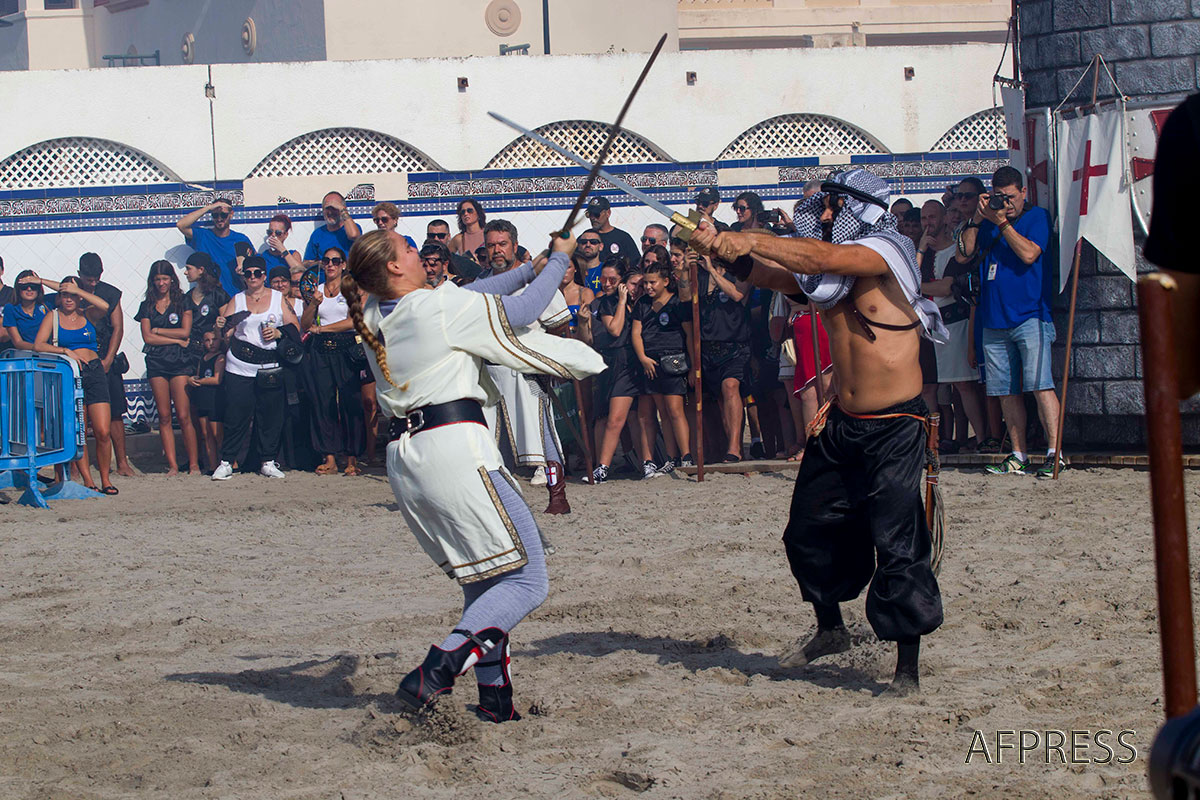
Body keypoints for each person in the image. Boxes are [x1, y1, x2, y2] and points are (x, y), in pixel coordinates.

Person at [690, 168, 946, 695]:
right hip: (842, 422)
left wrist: (753, 235)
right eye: (822, 206)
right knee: (807, 529)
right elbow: (778, 277)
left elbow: (819, 257)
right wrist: (723, 250)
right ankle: (831, 629)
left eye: (832, 207)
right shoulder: (832, 275)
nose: (823, 215)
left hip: (896, 425)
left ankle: (906, 670)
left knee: (897, 541)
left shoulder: (883, 253)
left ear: (862, 209)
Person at [343, 228, 603, 721]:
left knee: (486, 584)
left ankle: (495, 700)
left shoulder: (379, 311)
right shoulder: (434, 310)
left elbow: (472, 296)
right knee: (528, 581)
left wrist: (533, 265)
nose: (418, 253)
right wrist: (558, 264)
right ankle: (441, 665)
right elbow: (522, 312)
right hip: (453, 451)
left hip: (409, 461)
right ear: (395, 268)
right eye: (409, 249)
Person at [957, 165, 1059, 476]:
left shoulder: (1037, 217)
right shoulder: (988, 220)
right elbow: (964, 255)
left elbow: (1029, 254)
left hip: (1031, 316)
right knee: (1005, 391)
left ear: (1024, 192)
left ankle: (1055, 452)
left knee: (1040, 386)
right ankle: (1018, 454)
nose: (1006, 204)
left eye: (1011, 197)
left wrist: (1002, 224)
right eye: (1000, 197)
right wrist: (978, 217)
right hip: (994, 319)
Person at [477, 220, 573, 504]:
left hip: (525, 369)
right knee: (494, 429)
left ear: (514, 246)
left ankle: (547, 470)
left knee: (537, 422)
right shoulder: (481, 285)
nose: (496, 250)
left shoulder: (535, 282)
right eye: (491, 245)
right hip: (490, 369)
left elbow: (559, 325)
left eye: (502, 244)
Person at [210, 255, 302, 480]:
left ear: (264, 276)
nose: (253, 277)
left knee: (270, 414)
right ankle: (226, 461)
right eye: (248, 273)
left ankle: (268, 460)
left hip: (269, 364)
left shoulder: (278, 298)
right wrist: (219, 326)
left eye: (257, 273)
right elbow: (226, 334)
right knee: (235, 414)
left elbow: (295, 327)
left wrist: (279, 333)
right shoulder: (238, 299)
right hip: (240, 364)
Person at [33, 277, 117, 495]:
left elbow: (105, 306)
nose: (68, 299)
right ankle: (89, 480)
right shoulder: (53, 316)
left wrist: (79, 291)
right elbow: (38, 344)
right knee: (80, 429)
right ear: (59, 297)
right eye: (64, 294)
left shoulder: (87, 313)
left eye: (72, 295)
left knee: (102, 430)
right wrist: (65, 351)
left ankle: (106, 479)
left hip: (95, 370)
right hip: (72, 372)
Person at [918, 200, 985, 452]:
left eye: (932, 217)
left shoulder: (956, 251)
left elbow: (945, 288)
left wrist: (917, 289)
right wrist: (922, 248)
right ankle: (932, 442)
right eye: (924, 218)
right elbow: (911, 278)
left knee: (964, 385)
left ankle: (980, 439)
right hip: (931, 326)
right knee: (931, 388)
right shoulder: (925, 253)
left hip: (955, 322)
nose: (928, 223)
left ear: (944, 217)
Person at [586, 260, 656, 482]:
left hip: (643, 361)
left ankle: (648, 463)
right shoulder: (609, 303)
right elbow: (615, 329)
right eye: (632, 284)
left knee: (641, 416)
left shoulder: (645, 303)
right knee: (615, 417)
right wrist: (622, 300)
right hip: (620, 362)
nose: (637, 288)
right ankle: (603, 467)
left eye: (640, 284)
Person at [300, 247, 366, 476]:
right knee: (323, 403)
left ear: (343, 265)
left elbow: (354, 322)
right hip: (320, 350)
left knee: (350, 402)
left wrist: (322, 328)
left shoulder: (350, 289)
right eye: (326, 261)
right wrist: (313, 305)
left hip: (346, 348)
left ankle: (352, 458)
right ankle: (329, 457)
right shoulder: (315, 291)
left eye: (335, 261)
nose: (330, 265)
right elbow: (305, 323)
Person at [70, 253, 135, 478]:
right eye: (89, 278)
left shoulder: (110, 292)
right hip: (79, 359)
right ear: (80, 275)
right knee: (79, 414)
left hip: (106, 356)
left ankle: (123, 463)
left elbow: (118, 327)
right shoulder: (72, 291)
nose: (93, 282)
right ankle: (77, 466)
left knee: (115, 412)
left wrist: (108, 359)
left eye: (96, 277)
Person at [136, 260, 200, 476]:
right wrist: (173, 339)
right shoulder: (146, 305)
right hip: (156, 363)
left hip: (180, 363)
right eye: (157, 279)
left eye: (164, 279)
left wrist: (160, 331)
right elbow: (147, 338)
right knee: (163, 415)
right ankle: (172, 465)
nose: (161, 283)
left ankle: (193, 464)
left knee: (183, 415)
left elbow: (185, 332)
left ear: (172, 279)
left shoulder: (183, 302)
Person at [631, 262, 693, 473]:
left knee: (675, 410)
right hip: (651, 363)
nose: (648, 287)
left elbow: (689, 333)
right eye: (645, 283)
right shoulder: (642, 304)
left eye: (652, 282)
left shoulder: (676, 303)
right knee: (662, 413)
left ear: (666, 282)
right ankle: (671, 457)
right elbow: (636, 333)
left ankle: (686, 455)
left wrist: (693, 367)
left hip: (673, 360)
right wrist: (643, 358)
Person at [695, 250, 752, 462]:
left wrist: (712, 270)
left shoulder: (738, 271)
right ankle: (730, 448)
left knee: (730, 387)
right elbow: (684, 298)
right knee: (720, 401)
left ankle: (735, 447)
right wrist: (686, 270)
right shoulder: (698, 275)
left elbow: (738, 294)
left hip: (735, 344)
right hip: (709, 346)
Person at [177, 199, 253, 296]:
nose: (219, 219)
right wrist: (209, 208)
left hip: (237, 296)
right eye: (215, 215)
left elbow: (255, 267)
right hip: (211, 299)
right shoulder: (203, 236)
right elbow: (181, 225)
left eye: (224, 215)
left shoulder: (241, 239)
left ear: (231, 214)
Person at [189, 329, 225, 473]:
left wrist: (200, 381)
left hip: (215, 398)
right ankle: (212, 465)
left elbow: (217, 379)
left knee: (217, 434)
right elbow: (198, 375)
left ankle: (228, 462)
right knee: (206, 434)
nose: (211, 343)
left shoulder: (220, 357)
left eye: (214, 340)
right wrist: (192, 380)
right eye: (207, 340)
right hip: (202, 397)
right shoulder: (202, 358)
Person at [304, 191, 361, 266]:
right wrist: (319, 264)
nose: (330, 212)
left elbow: (354, 235)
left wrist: (342, 209)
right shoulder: (317, 234)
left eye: (334, 208)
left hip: (347, 276)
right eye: (327, 209)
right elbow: (306, 262)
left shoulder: (352, 228)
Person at [3, 270, 51, 350]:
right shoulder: (10, 308)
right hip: (26, 354)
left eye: (33, 286)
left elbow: (66, 290)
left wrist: (41, 281)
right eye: (24, 286)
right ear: (18, 289)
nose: (29, 289)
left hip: (51, 354)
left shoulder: (46, 302)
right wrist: (39, 348)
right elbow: (18, 342)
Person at [586, 197, 640, 267]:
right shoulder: (585, 239)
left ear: (608, 213)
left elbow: (635, 265)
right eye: (590, 214)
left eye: (596, 214)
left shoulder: (623, 238)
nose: (593, 218)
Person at [427, 218, 481, 283]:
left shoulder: (464, 264)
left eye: (441, 236)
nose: (436, 239)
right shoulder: (419, 263)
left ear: (449, 237)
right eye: (431, 236)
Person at [558, 252, 594, 328]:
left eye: (568, 267)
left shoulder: (585, 293)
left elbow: (590, 325)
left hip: (578, 336)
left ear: (575, 269)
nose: (564, 271)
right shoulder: (552, 293)